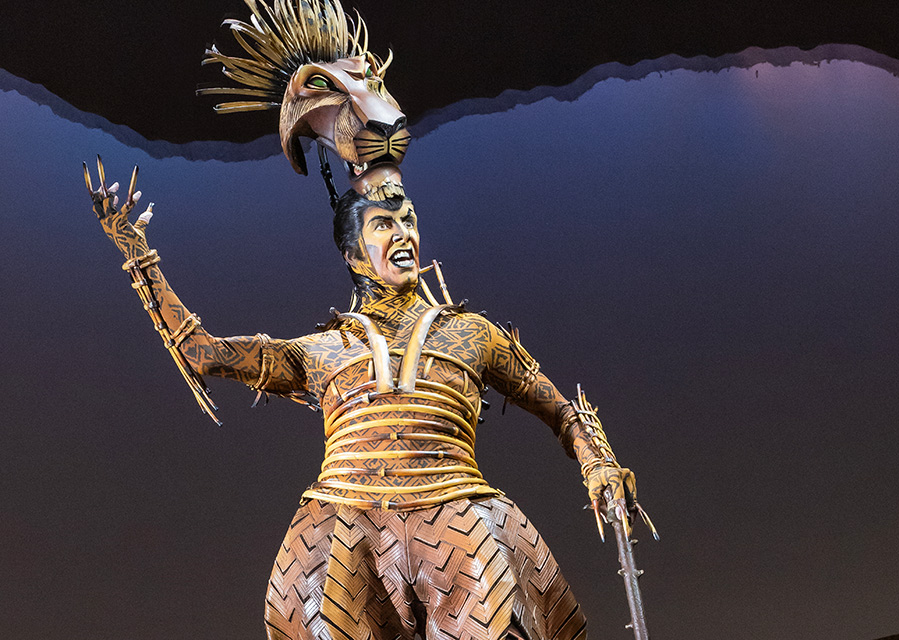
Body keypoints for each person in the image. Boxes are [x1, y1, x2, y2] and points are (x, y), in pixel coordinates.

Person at [83, 167, 646, 639]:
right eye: (384, 224)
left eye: (409, 222)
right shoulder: (324, 349)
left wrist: (597, 462)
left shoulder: (474, 334)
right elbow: (204, 354)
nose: (403, 232)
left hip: (455, 514)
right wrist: (140, 259)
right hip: (346, 519)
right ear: (354, 256)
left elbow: (560, 410)